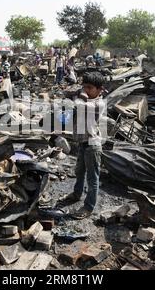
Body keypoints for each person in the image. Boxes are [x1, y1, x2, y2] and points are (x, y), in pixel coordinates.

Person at [58, 72, 106, 220]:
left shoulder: (98, 104)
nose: (85, 90)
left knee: (92, 178)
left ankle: (88, 207)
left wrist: (79, 94)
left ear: (100, 90)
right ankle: (76, 194)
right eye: (84, 87)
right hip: (82, 143)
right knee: (79, 172)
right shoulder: (83, 99)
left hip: (93, 144)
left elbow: (80, 106)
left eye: (89, 87)